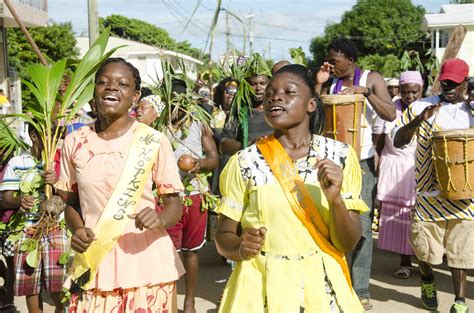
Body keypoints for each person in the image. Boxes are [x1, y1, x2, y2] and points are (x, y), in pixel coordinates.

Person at [215, 64, 368, 312]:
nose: (276, 97)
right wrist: (240, 248)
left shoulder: (339, 156)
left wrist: (336, 199)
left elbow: (348, 243)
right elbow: (223, 236)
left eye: (289, 92)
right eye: (271, 93)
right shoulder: (244, 162)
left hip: (321, 286)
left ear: (311, 104)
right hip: (261, 284)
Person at [57, 57, 185, 312]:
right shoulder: (74, 142)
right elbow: (70, 201)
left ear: (135, 96)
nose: (112, 88)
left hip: (146, 264)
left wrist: (160, 219)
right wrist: (77, 229)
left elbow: (174, 204)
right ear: (94, 91)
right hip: (94, 260)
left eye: (122, 84)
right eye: (103, 82)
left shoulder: (154, 141)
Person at [315, 37, 396, 310]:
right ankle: (335, 283)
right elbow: (312, 113)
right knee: (331, 224)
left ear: (349, 57)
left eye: (335, 61)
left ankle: (359, 289)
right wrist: (319, 82)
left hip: (361, 164)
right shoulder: (331, 82)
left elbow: (391, 114)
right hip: (331, 161)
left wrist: (367, 94)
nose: (332, 65)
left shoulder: (372, 78)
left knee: (361, 229)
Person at [393, 58, 473, 313]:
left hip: (464, 194)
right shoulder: (419, 106)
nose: (448, 87)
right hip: (429, 193)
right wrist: (419, 120)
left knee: (459, 252)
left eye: (454, 83)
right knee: (424, 250)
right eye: (445, 82)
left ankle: (459, 302)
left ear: (465, 84)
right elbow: (398, 140)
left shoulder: (471, 110)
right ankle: (427, 278)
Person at [164, 79, 219, 313]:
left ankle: (190, 300)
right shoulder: (158, 126)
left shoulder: (199, 123)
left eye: (180, 101)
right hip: (167, 196)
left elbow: (214, 157)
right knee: (168, 251)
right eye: (172, 102)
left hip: (195, 193)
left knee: (191, 250)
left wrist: (200, 164)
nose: (177, 107)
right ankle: (169, 300)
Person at [0, 124, 66, 313]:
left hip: (55, 229)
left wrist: (56, 182)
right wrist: (20, 200)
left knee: (57, 284)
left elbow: (70, 194)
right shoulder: (17, 162)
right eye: (47, 135)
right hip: (27, 229)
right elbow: (6, 198)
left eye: (54, 135)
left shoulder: (59, 162)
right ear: (34, 136)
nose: (52, 140)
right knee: (31, 286)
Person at [373, 71, 423, 279]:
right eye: (405, 91)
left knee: (417, 219)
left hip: (417, 170)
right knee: (399, 219)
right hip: (392, 169)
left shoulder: (427, 109)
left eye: (414, 91)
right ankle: (404, 263)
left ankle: (424, 262)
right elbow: (378, 143)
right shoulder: (390, 110)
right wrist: (377, 170)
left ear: (421, 90)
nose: (409, 95)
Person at [219, 55, 273, 155]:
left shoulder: (277, 109)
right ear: (246, 85)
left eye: (262, 83)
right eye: (253, 84)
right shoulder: (239, 110)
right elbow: (223, 145)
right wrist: (249, 145)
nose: (258, 88)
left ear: (269, 84)